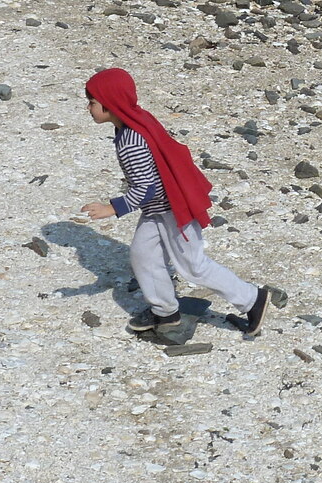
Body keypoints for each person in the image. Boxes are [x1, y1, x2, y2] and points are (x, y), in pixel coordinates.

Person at [78, 67, 268, 338]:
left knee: (193, 266)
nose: (88, 108)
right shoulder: (135, 122)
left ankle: (253, 299)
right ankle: (165, 312)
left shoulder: (132, 141)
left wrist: (112, 208)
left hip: (175, 210)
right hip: (159, 209)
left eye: (93, 102)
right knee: (143, 255)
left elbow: (145, 188)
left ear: (111, 104)